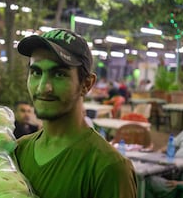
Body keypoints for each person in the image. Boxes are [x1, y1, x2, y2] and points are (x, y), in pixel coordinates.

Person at [14, 28, 137, 198]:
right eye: (36, 72)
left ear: (87, 84)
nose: (43, 87)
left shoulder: (109, 168)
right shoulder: (17, 151)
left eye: (59, 74)